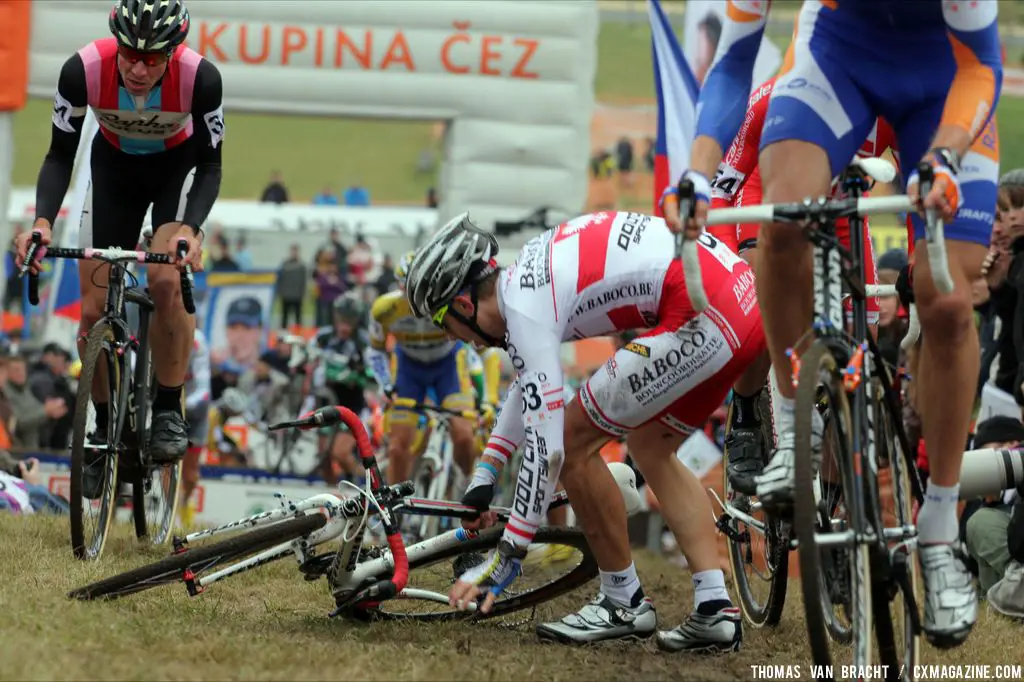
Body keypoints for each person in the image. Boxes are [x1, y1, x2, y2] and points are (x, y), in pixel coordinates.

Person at [664, 1, 1002, 648]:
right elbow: (734, 62)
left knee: (947, 302)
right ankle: (795, 428)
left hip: (948, 81)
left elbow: (981, 62)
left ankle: (938, 532)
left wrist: (946, 157)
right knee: (784, 219)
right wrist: (697, 177)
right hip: (837, 56)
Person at [406, 212, 765, 650]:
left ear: (463, 304)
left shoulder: (523, 308)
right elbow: (528, 382)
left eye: (444, 324)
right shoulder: (524, 285)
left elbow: (548, 450)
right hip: (742, 301)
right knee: (651, 446)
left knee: (572, 444)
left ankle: (622, 601)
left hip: (703, 313)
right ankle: (715, 609)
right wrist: (485, 474)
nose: (458, 340)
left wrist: (507, 559)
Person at [14, 0, 221, 466]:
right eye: (129, 54)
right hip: (113, 172)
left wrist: (192, 230)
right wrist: (43, 222)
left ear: (173, 53)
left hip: (177, 170)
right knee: (91, 311)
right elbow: (58, 156)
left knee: (166, 281)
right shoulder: (82, 70)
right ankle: (104, 424)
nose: (138, 69)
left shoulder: (201, 77)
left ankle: (168, 406)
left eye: (151, 59)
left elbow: (210, 165)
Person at [705, 73, 899, 497]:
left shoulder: (889, 96)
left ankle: (835, 480)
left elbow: (915, 166)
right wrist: (730, 262)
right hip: (769, 195)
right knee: (760, 302)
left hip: (838, 202)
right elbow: (723, 187)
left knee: (862, 342)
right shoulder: (774, 95)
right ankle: (746, 419)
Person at [367, 252, 479, 490]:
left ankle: (466, 484)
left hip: (447, 368)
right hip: (409, 371)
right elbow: (375, 351)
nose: (417, 297)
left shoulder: (449, 302)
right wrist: (386, 384)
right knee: (397, 447)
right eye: (410, 290)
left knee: (464, 435)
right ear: (400, 287)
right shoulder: (384, 309)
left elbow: (471, 344)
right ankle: (394, 508)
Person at [309, 292, 375, 483]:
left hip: (352, 404)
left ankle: (369, 487)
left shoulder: (364, 342)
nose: (345, 324)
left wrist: (357, 375)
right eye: (341, 318)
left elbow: (372, 376)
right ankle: (332, 497)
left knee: (340, 452)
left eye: (350, 319)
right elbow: (309, 359)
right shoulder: (323, 336)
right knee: (323, 457)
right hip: (326, 401)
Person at [180, 328, 211, 528]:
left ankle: (184, 502)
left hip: (195, 411)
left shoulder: (196, 341)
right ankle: (171, 509)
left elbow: (203, 390)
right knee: (169, 465)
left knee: (190, 474)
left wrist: (183, 404)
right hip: (171, 406)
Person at [275, 244, 308, 330]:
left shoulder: (302, 265)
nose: (294, 253)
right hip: (286, 294)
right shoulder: (284, 264)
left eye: (296, 251)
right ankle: (283, 334)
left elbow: (304, 281)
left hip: (297, 295)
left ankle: (298, 334)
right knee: (284, 317)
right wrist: (280, 292)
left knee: (298, 318)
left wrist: (303, 293)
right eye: (293, 251)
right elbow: (279, 278)